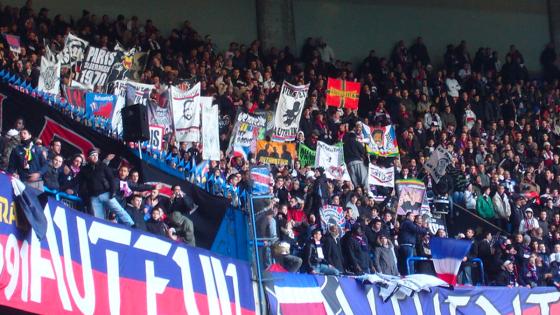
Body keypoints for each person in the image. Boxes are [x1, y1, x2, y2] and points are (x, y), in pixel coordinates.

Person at [74, 148, 135, 226]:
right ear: (89, 158)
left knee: (119, 210)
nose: (95, 157)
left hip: (106, 194)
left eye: (96, 155)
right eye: (93, 155)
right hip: (94, 197)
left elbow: (111, 179)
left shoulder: (103, 166)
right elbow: (76, 180)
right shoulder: (85, 169)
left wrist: (112, 192)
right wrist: (64, 187)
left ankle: (132, 225)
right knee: (99, 219)